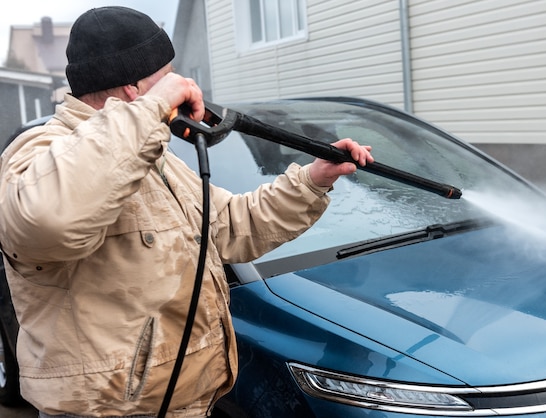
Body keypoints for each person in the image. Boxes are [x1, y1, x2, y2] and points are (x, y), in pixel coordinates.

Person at [0, 6, 373, 418]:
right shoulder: (39, 152)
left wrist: (313, 180)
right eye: (169, 77)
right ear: (132, 90)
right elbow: (48, 221)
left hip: (190, 403)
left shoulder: (151, 156)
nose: (185, 86)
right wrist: (154, 108)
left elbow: (232, 226)